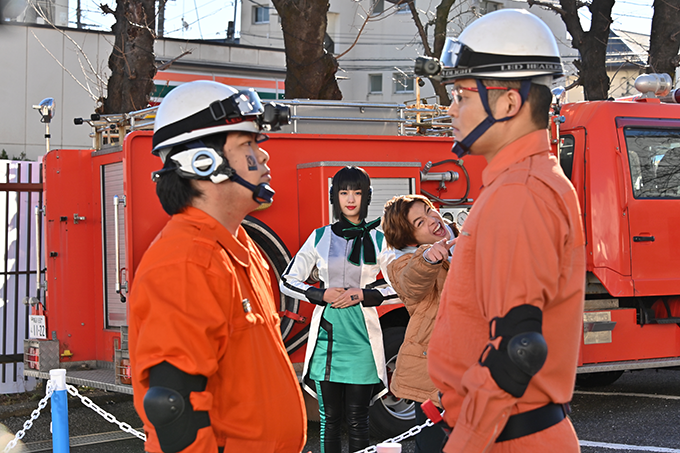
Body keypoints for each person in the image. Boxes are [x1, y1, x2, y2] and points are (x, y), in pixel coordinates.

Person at [424, 9, 587, 453]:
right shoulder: (525, 181)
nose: (451, 108)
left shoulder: (520, 191)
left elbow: (518, 348)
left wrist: (463, 443)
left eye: (461, 94)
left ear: (509, 103)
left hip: (507, 439)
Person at [128, 80, 307, 453]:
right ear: (203, 163)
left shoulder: (239, 248)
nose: (265, 157)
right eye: (248, 144)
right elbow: (173, 409)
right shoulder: (186, 261)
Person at [279, 166, 397, 453]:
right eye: (344, 192)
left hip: (362, 340)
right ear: (335, 197)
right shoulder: (319, 237)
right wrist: (320, 293)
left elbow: (402, 286)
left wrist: (364, 294)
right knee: (329, 419)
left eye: (357, 192)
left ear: (366, 197)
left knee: (358, 419)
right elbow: (286, 280)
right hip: (326, 340)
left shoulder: (380, 239)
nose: (351, 199)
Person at [381, 194, 458, 453]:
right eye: (419, 222)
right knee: (434, 446)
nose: (432, 221)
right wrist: (429, 258)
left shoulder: (462, 241)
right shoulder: (406, 261)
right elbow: (411, 285)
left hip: (476, 363)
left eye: (429, 211)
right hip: (432, 371)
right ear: (408, 237)